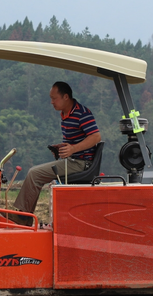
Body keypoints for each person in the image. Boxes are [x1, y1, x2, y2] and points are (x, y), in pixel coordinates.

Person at [6, 81, 101, 226]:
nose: (51, 102)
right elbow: (75, 141)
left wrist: (73, 149)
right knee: (35, 173)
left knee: (34, 173)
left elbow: (95, 137)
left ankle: (24, 217)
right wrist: (62, 148)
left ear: (66, 97)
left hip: (81, 163)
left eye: (54, 98)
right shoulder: (65, 114)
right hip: (72, 160)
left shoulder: (82, 113)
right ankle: (24, 215)